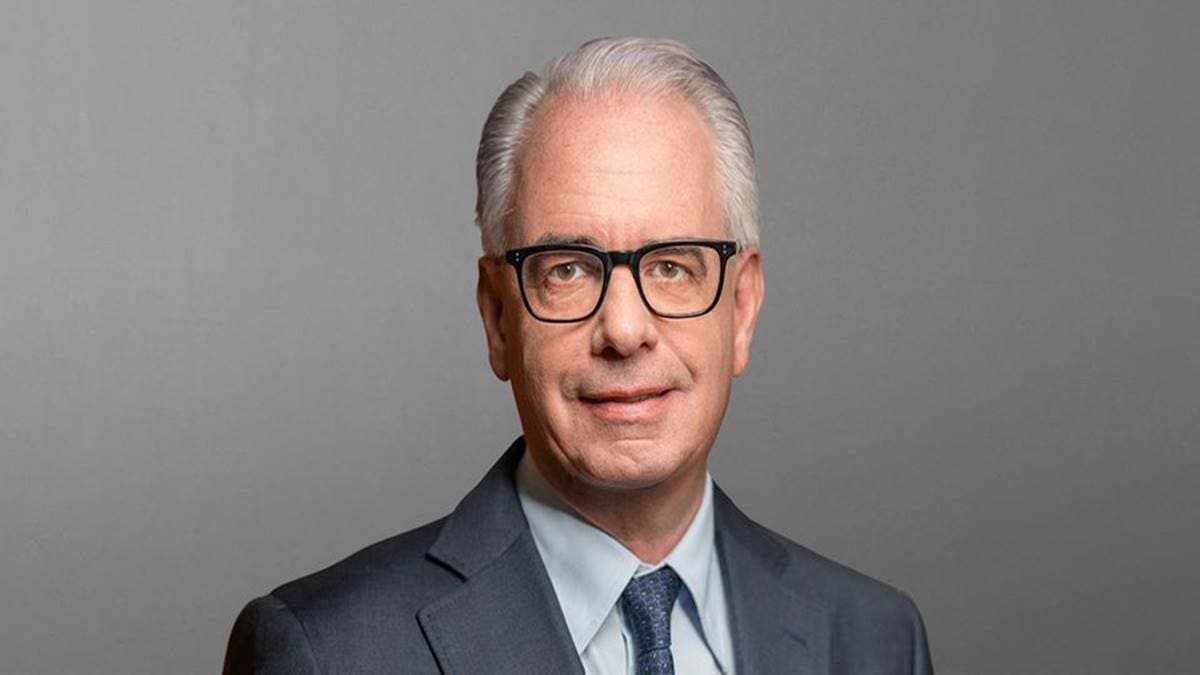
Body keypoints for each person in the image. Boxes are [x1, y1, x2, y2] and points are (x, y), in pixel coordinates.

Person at [223, 37, 933, 674]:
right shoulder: (325, 651)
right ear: (498, 318)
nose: (624, 329)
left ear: (741, 308)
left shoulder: (876, 640)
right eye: (567, 269)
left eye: (672, 266)